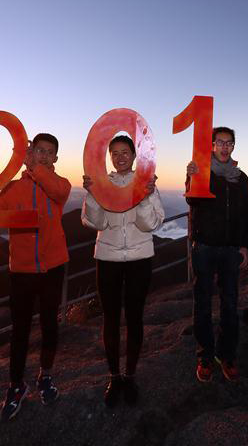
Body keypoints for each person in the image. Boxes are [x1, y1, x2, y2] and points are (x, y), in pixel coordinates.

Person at [0, 133, 72, 421]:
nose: (44, 155)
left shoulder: (60, 185)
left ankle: (44, 376)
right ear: (31, 152)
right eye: (39, 150)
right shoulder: (15, 189)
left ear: (55, 159)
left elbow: (58, 193)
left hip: (53, 268)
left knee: (50, 326)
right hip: (22, 271)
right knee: (20, 331)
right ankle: (16, 386)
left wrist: (34, 168)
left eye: (50, 152)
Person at [81, 134, 164, 406]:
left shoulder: (148, 184)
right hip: (107, 259)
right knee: (111, 319)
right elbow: (95, 221)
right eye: (114, 153)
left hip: (140, 258)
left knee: (136, 317)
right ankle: (114, 377)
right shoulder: (102, 183)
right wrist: (93, 195)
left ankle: (130, 376)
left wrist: (143, 196)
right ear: (110, 157)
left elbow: (151, 224)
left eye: (125, 151)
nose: (119, 157)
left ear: (134, 154)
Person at [185, 126, 248, 383]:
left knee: (230, 303)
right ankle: (205, 355)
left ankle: (227, 354)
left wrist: (245, 245)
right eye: (220, 142)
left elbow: (244, 213)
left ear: (233, 147)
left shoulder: (241, 177)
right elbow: (192, 202)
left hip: (230, 247)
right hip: (204, 246)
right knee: (202, 303)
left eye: (229, 143)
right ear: (211, 146)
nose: (224, 147)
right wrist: (190, 178)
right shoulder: (201, 171)